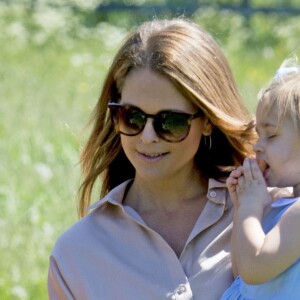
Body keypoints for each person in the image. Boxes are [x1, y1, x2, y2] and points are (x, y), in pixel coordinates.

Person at [48, 18, 257, 300]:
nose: (147, 137)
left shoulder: (261, 210)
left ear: (207, 121)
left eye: (169, 121)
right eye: (131, 117)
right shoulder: (76, 253)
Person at [221, 59, 300, 299]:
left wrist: (251, 207)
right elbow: (240, 271)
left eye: (272, 135)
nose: (258, 146)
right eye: (258, 135)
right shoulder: (280, 203)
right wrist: (241, 209)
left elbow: (254, 269)